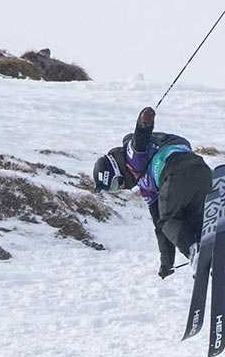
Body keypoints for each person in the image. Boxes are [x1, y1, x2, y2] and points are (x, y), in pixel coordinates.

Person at [92, 107, 214, 278]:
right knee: (190, 221)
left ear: (117, 168)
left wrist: (144, 122)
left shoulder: (133, 158)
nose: (122, 187)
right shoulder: (147, 188)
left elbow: (140, 138)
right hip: (203, 173)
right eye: (115, 189)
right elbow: (159, 225)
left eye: (117, 183)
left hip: (175, 173)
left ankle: (196, 253)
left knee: (170, 219)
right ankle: (204, 251)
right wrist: (167, 262)